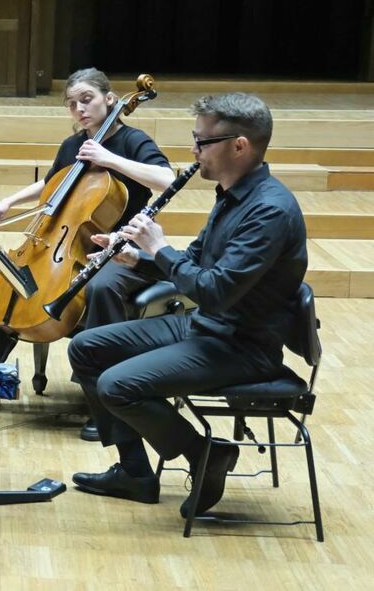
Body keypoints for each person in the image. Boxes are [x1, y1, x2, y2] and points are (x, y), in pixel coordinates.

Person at [68, 92, 307, 517]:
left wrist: (159, 248)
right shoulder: (231, 195)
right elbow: (196, 263)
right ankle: (135, 474)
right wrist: (136, 258)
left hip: (243, 346)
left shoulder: (269, 211)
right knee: (86, 347)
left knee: (116, 386)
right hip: (207, 327)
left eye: (202, 142)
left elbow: (213, 290)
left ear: (239, 146)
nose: (194, 152)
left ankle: (204, 453)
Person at [0, 68, 176, 440]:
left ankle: (102, 402)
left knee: (100, 289)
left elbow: (167, 179)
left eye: (87, 100)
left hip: (123, 250)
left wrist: (110, 160)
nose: (79, 109)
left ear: (110, 100)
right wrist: (8, 201)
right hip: (70, 245)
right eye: (72, 104)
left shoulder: (132, 140)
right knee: (4, 278)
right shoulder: (73, 145)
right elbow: (52, 183)